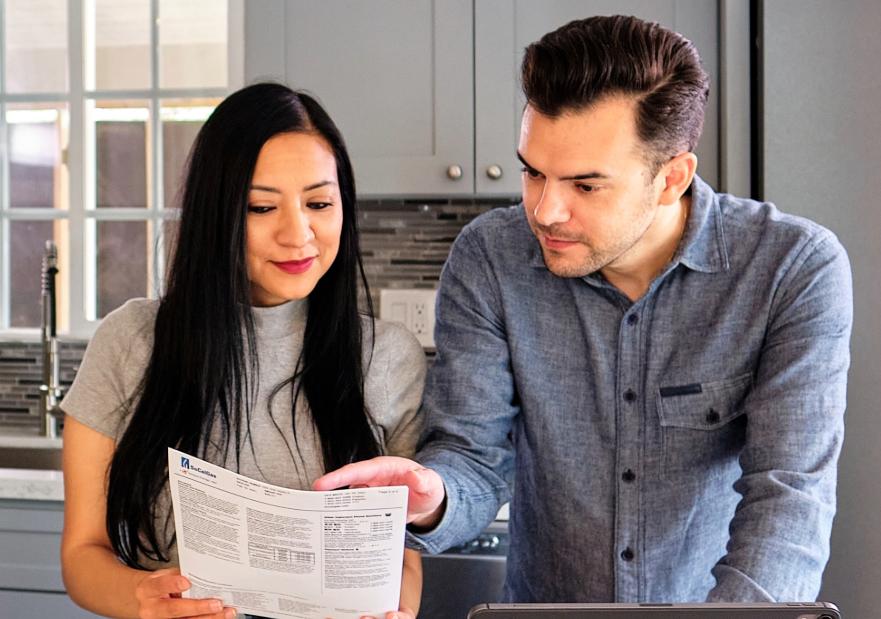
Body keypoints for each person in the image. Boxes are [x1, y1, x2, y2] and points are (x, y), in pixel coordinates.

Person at [314, 15, 853, 605]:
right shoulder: (489, 257)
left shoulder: (791, 268)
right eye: (532, 172)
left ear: (671, 178)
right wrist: (434, 494)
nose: (545, 211)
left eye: (585, 186)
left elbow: (789, 491)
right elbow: (471, 453)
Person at [60, 83, 425, 619]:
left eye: (319, 203)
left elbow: (406, 556)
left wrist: (399, 611)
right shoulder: (131, 340)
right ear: (218, 214)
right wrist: (141, 599)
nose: (298, 233)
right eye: (260, 207)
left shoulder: (388, 356)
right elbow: (81, 554)